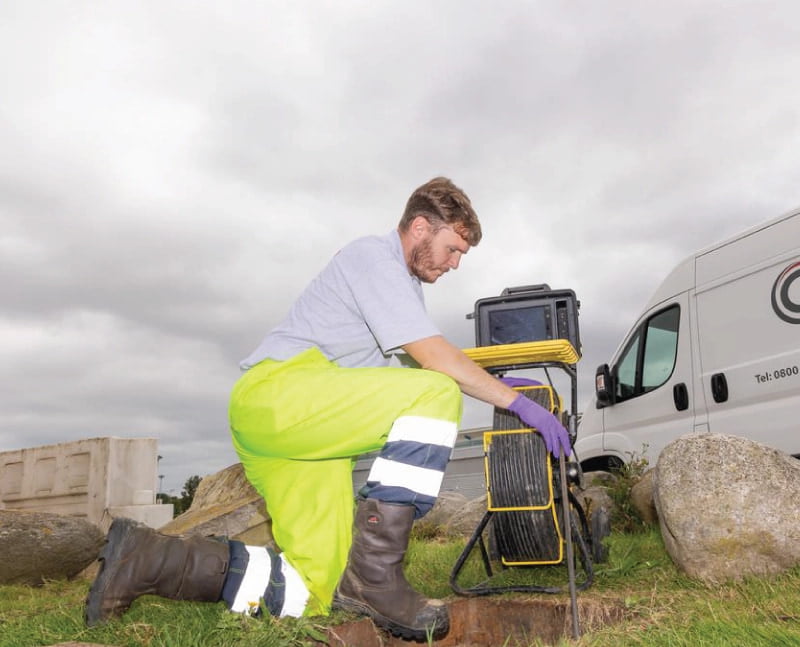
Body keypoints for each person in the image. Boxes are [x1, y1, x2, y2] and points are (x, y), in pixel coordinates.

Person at [84, 177, 572, 641]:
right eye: (453, 249)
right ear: (420, 227)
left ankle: (150, 560)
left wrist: (498, 380)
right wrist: (513, 403)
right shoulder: (372, 256)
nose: (454, 264)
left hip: (302, 437)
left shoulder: (398, 288)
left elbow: (412, 362)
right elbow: (430, 363)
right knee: (434, 394)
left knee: (318, 588)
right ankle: (379, 578)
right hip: (278, 394)